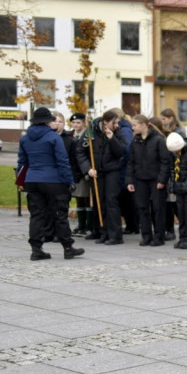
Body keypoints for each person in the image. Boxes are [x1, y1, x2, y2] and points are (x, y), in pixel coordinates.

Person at [17, 107, 84, 261]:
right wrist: (69, 181)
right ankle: (68, 248)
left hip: (32, 179)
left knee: (36, 215)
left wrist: (22, 181)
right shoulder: (53, 137)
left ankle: (36, 249)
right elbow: (63, 161)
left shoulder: (25, 139)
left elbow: (22, 162)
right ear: (48, 121)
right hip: (53, 180)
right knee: (60, 214)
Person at [78, 109, 131, 245]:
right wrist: (88, 169)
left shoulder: (118, 132)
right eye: (115, 123)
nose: (117, 125)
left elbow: (121, 151)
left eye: (118, 122)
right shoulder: (91, 131)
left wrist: (112, 138)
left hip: (112, 170)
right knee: (99, 201)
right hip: (96, 172)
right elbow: (80, 151)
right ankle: (103, 232)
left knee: (111, 201)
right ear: (105, 122)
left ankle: (115, 235)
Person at [126, 114, 172, 247]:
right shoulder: (136, 141)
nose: (132, 128)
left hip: (156, 180)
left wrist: (162, 180)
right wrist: (129, 180)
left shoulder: (158, 140)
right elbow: (131, 162)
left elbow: (165, 162)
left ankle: (159, 237)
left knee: (158, 208)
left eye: (134, 125)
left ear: (143, 125)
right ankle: (146, 236)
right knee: (142, 208)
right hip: (141, 179)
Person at [165, 132, 187, 249]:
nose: (175, 152)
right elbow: (172, 169)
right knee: (181, 215)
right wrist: (172, 187)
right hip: (179, 187)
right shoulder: (173, 153)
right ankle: (182, 237)